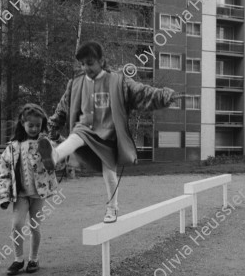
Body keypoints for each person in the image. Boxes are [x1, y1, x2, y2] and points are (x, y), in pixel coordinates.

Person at [38, 41, 184, 223]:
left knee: (109, 173)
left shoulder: (118, 81)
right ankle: (54, 155)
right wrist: (51, 128)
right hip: (86, 129)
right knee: (76, 135)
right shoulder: (75, 84)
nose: (86, 68)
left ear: (101, 60)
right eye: (82, 64)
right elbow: (62, 109)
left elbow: (142, 93)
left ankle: (112, 208)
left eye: (90, 63)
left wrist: (165, 95)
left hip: (108, 136)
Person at [0, 103, 60, 276]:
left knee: (35, 226)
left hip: (39, 194)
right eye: (30, 125)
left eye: (38, 125)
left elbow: (58, 162)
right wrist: (3, 196)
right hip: (21, 195)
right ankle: (18, 259)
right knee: (16, 225)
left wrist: (51, 154)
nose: (34, 128)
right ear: (22, 123)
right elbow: (3, 172)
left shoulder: (45, 143)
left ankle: (34, 259)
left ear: (42, 125)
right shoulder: (12, 147)